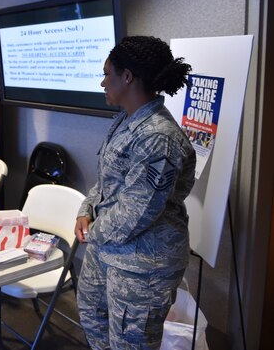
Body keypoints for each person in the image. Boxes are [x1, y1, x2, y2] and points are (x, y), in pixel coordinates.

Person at [74, 36, 197, 350]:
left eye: (107, 73)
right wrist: (85, 210)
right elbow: (107, 182)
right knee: (94, 322)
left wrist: (91, 232)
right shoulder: (126, 120)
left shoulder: (158, 137)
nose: (103, 82)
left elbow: (135, 213)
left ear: (127, 76)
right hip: (109, 250)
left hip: (142, 266)